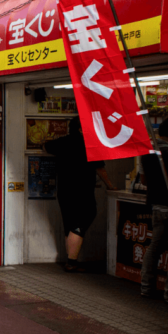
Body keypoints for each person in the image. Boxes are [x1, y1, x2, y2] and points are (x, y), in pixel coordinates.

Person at [45, 116, 116, 272]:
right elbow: (100, 168)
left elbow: (47, 146)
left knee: (69, 223)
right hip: (83, 190)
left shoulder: (62, 142)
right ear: (81, 129)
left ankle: (71, 260)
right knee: (86, 216)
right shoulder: (90, 145)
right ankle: (71, 261)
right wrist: (110, 186)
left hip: (64, 190)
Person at [140, 120, 168, 305]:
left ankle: (146, 287)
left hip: (155, 206)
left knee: (155, 246)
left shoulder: (146, 152)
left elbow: (144, 180)